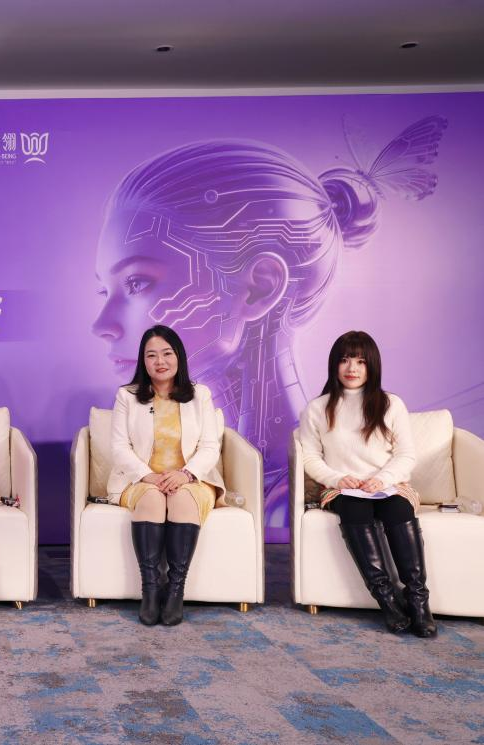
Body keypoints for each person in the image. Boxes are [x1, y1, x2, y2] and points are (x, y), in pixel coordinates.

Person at [91, 119, 447, 541]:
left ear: (259, 286)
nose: (103, 325)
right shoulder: (172, 410)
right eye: (105, 290)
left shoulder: (283, 493)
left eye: (136, 283)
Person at [298, 330, 435, 637]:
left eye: (360, 361)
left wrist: (382, 479)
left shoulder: (391, 404)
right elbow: (310, 457)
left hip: (388, 484)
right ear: (334, 364)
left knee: (398, 509)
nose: (352, 368)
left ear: (372, 365)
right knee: (354, 509)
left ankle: (418, 601)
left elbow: (406, 455)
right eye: (345, 360)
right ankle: (387, 600)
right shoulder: (317, 408)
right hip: (341, 487)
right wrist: (337, 478)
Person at [110, 325, 226, 626]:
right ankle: (150, 590)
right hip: (141, 480)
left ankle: (175, 590)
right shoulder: (126, 396)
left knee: (182, 500)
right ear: (143, 361)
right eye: (151, 355)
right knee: (151, 499)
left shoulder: (200, 395)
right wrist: (147, 476)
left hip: (191, 479)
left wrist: (186, 474)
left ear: (179, 357)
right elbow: (119, 447)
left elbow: (210, 447)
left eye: (166, 354)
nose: (160, 361)